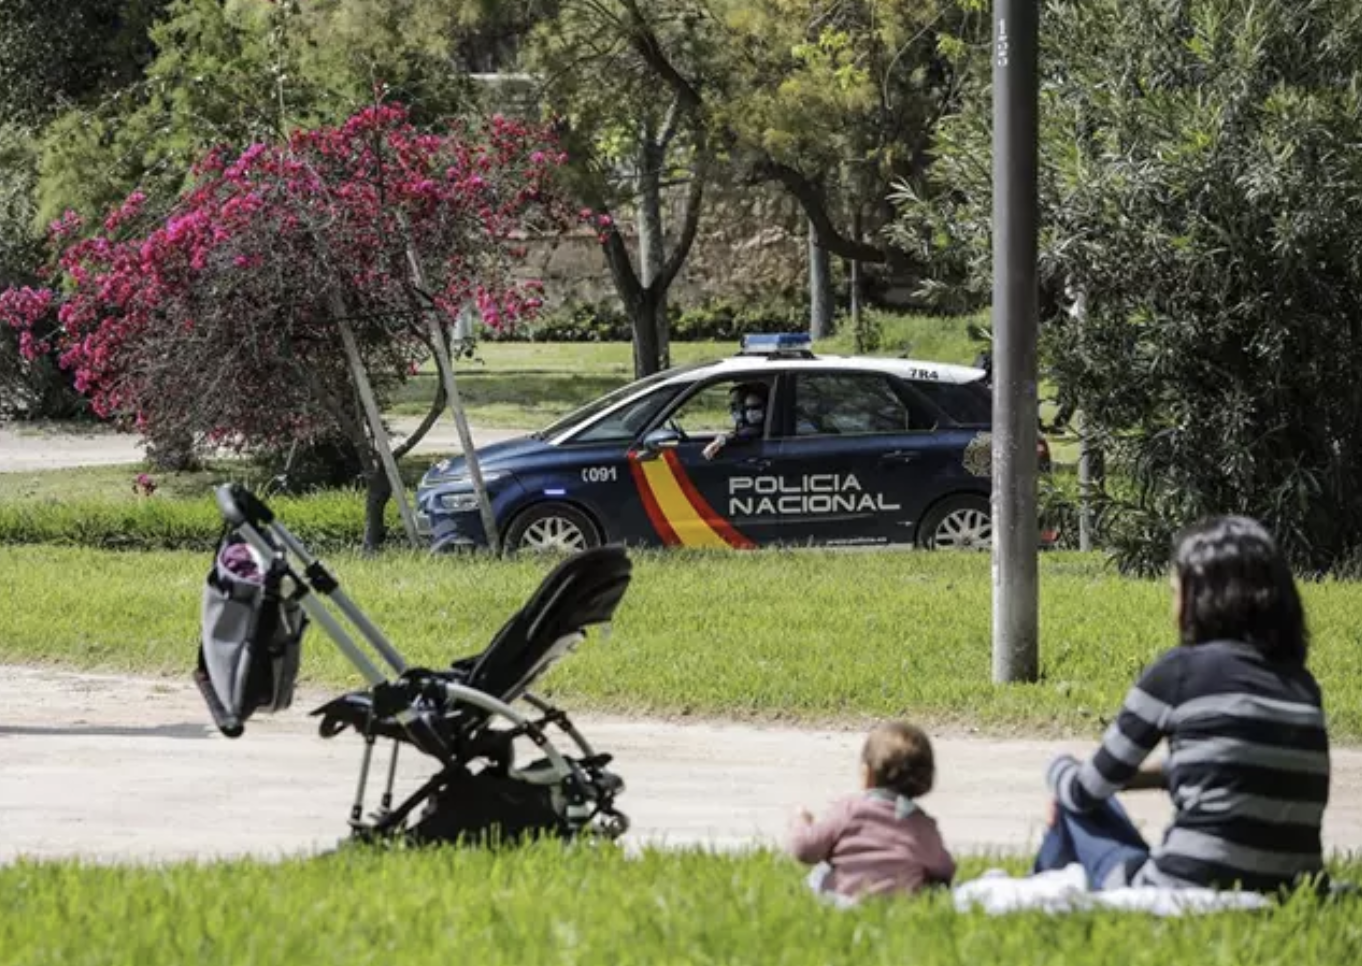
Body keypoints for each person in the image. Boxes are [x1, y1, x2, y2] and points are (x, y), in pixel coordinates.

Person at [1034, 515, 1330, 894]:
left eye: (1176, 592)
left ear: (1198, 600)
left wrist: (1058, 768)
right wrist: (1146, 778)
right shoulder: (1301, 685)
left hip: (1185, 884)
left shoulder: (1178, 674)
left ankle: (1040, 899)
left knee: (1076, 807)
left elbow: (1084, 791)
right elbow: (1230, 768)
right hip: (1294, 887)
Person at [789, 721, 956, 901]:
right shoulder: (922, 826)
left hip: (843, 900)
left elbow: (806, 849)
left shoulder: (849, 809)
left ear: (867, 774)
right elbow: (945, 871)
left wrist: (801, 821)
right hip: (899, 905)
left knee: (821, 871)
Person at [702, 382, 768, 460]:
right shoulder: (745, 424)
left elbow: (743, 435)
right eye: (732, 405)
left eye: (736, 405)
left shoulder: (756, 427)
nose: (732, 410)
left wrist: (717, 443)